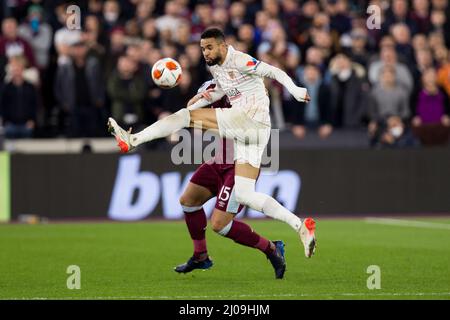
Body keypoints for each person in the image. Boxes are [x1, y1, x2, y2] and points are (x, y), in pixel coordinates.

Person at [108, 27, 316, 258]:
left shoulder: (238, 59)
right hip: (258, 133)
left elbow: (272, 71)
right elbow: (221, 89)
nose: (205, 53)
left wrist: (295, 89)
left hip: (247, 119)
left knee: (183, 118)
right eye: (202, 49)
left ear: (222, 45)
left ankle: (133, 139)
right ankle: (300, 226)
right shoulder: (216, 67)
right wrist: (196, 103)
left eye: (209, 47)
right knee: (246, 194)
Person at [175, 80, 286, 279]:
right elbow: (190, 113)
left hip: (241, 166)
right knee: (188, 201)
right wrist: (201, 98)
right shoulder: (213, 86)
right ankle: (201, 256)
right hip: (219, 161)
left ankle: (271, 249)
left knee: (220, 225)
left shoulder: (250, 91)